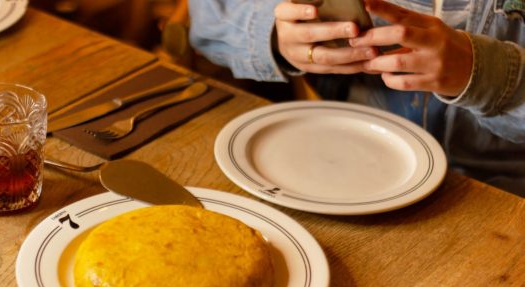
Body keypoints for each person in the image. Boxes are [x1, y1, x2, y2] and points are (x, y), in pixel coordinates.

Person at [188, 0, 525, 197]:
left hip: (507, 194)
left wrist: (487, 75)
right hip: (336, 170)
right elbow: (209, 15)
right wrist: (274, 33)